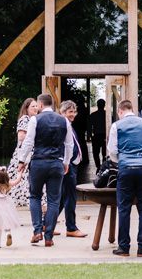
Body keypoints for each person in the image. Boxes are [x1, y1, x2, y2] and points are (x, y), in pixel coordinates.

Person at [19, 93, 74, 246]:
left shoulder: (35, 120)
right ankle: (49, 237)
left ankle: (37, 231)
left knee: (35, 196)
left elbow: (29, 142)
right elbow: (69, 144)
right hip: (56, 162)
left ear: (41, 105)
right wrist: (66, 162)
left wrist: (22, 160)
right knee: (54, 200)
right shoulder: (64, 120)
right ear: (52, 104)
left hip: (38, 162)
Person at [107, 99, 142, 257]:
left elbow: (112, 150)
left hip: (126, 169)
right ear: (132, 109)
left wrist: (122, 160)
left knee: (124, 208)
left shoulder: (117, 125)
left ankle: (124, 247)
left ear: (120, 111)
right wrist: (141, 155)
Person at [55, 100, 88, 238]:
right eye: (70, 112)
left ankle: (47, 224)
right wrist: (67, 162)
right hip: (67, 165)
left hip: (70, 164)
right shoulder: (63, 125)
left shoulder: (68, 124)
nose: (73, 114)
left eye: (74, 112)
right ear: (62, 112)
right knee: (70, 197)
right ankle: (71, 227)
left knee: (63, 197)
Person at [7, 97, 39, 210]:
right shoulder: (25, 118)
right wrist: (35, 136)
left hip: (31, 154)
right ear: (26, 108)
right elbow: (21, 136)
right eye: (33, 106)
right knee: (18, 183)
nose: (36, 108)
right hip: (23, 155)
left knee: (26, 184)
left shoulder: (34, 119)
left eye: (36, 105)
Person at [0, 166, 24, 248]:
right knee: (6, 223)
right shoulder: (7, 185)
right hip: (7, 208)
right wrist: (20, 173)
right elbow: (17, 181)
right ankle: (8, 233)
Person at [87, 98, 108, 169]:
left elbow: (89, 126)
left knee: (95, 153)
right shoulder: (107, 115)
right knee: (105, 153)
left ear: (97, 105)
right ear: (104, 105)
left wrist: (89, 136)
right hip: (105, 135)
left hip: (96, 136)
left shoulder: (93, 115)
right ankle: (104, 167)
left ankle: (98, 167)